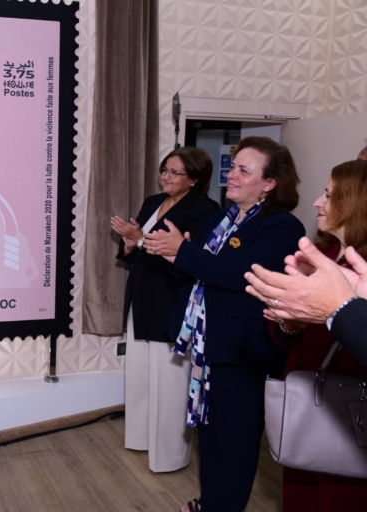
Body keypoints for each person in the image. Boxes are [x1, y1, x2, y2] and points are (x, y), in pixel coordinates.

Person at [144, 136, 306, 512]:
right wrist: (175, 254)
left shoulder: (282, 227)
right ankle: (211, 502)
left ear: (270, 183)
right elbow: (195, 267)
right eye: (233, 167)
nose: (231, 175)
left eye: (243, 170)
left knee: (235, 440)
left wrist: (183, 252)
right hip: (209, 344)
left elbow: (239, 274)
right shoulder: (222, 218)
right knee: (210, 433)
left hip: (243, 349)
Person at [262, 160, 367, 510]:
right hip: (307, 403)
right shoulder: (322, 254)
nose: (317, 202)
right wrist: (289, 322)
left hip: (350, 413)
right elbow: (286, 336)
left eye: (329, 195)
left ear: (356, 204)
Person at [110, 147, 218, 473]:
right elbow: (137, 248)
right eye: (164, 170)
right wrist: (130, 243)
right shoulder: (153, 201)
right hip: (143, 296)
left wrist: (141, 240)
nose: (166, 177)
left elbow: (189, 259)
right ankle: (141, 438)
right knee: (141, 373)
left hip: (173, 299)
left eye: (175, 172)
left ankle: (170, 455)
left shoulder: (205, 210)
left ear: (195, 178)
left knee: (170, 381)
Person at [245, 238, 367, 367]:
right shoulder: (324, 251)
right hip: (300, 370)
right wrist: (291, 323)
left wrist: (341, 308)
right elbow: (288, 343)